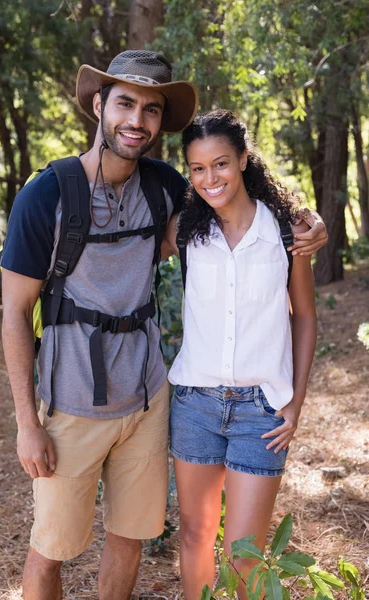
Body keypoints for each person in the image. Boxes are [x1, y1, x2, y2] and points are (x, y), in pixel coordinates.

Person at [1, 50, 325, 600]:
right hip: (71, 403)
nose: (137, 120)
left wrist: (306, 224)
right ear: (99, 105)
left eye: (151, 110)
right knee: (50, 550)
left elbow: (226, 201)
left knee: (130, 539)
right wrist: (26, 423)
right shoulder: (46, 195)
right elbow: (13, 314)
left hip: (149, 402)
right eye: (125, 103)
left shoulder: (164, 185)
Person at [164, 109, 318, 600]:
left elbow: (306, 317)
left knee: (243, 554)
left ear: (244, 159)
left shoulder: (286, 232)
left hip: (260, 412)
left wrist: (294, 403)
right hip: (194, 404)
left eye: (221, 163)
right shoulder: (185, 232)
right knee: (194, 536)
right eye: (198, 168)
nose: (211, 178)